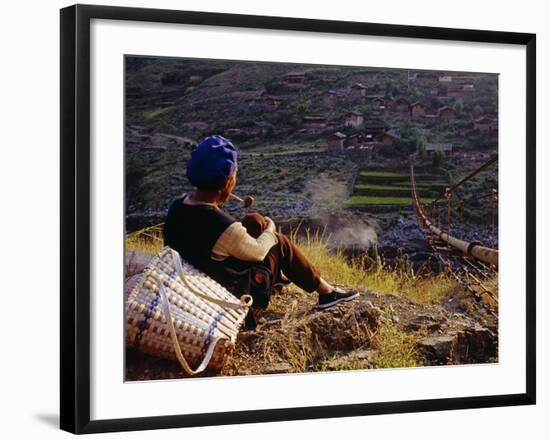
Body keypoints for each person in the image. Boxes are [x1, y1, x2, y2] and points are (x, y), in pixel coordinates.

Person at [164, 135, 359, 328]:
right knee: (278, 241)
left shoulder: (177, 206)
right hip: (233, 297)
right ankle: (327, 292)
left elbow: (211, 231)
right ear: (228, 182)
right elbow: (258, 251)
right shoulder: (222, 226)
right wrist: (270, 228)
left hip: (200, 284)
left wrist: (257, 223)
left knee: (252, 221)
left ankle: (277, 278)